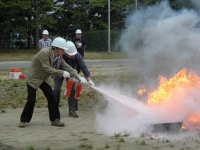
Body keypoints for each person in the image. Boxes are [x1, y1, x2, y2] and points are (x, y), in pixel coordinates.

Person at [19, 37, 88, 128]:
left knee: (51, 97)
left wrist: (78, 76)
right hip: (34, 77)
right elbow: (47, 68)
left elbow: (66, 66)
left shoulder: (59, 56)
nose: (64, 52)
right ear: (56, 48)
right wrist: (62, 73)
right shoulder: (44, 53)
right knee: (31, 100)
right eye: (63, 50)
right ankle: (23, 120)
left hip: (44, 78)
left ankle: (55, 119)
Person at [53, 41, 94, 118]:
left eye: (73, 55)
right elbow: (53, 66)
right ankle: (53, 109)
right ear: (65, 53)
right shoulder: (60, 55)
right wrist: (58, 73)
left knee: (73, 89)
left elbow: (83, 67)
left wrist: (88, 79)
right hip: (59, 72)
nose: (73, 57)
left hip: (72, 73)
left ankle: (72, 110)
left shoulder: (77, 55)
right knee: (56, 89)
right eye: (70, 56)